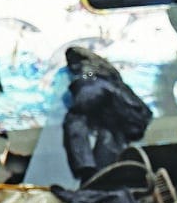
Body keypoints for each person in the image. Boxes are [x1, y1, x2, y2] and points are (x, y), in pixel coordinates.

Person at [61, 47, 155, 187]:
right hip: (129, 120)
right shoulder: (107, 73)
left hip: (129, 119)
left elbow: (87, 92)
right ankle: (95, 176)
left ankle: (87, 169)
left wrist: (84, 166)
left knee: (75, 119)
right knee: (107, 139)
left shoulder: (90, 74)